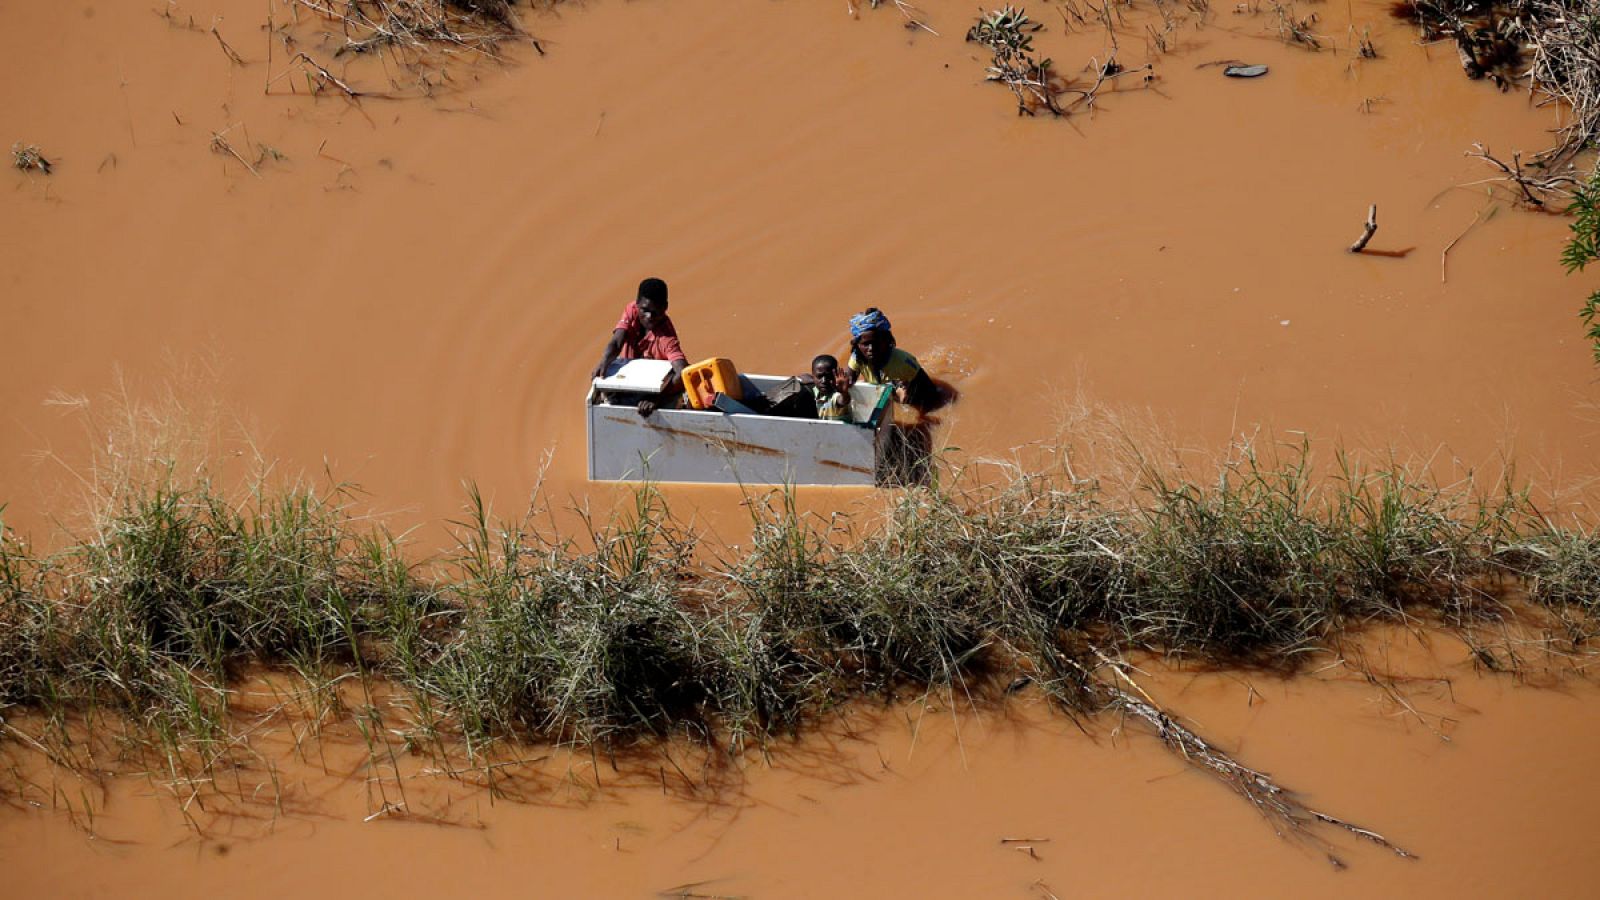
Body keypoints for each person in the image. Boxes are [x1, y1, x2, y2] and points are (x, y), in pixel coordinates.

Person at [591, 277, 688, 417]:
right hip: (627, 381)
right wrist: (603, 361)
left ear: (665, 308)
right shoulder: (631, 310)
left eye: (655, 312)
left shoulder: (667, 338)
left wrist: (656, 397)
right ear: (637, 304)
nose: (649, 316)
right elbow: (617, 342)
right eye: (645, 310)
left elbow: (682, 371)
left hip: (653, 389)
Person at [844, 308, 939, 412]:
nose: (871, 348)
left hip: (909, 396)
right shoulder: (857, 358)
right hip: (883, 388)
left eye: (875, 343)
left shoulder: (903, 362)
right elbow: (847, 383)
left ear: (886, 340)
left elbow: (931, 391)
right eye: (865, 344)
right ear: (857, 345)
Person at [803, 354, 852, 422]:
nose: (824, 381)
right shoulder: (813, 391)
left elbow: (843, 400)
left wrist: (844, 393)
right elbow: (803, 376)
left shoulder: (836, 395)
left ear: (836, 375)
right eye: (819, 376)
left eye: (829, 376)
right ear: (813, 376)